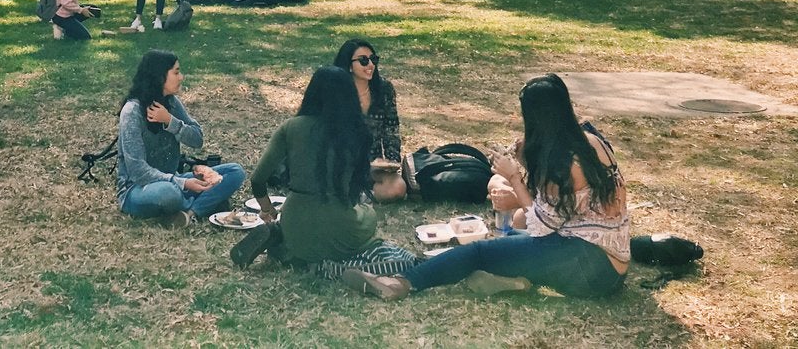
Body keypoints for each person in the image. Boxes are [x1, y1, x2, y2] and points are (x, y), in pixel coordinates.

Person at [341, 73, 630, 301]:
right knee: (508, 240)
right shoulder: (591, 140)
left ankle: (401, 284)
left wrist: (515, 177)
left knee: (481, 251)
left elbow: (542, 227)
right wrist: (527, 162)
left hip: (590, 270)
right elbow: (568, 207)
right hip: (610, 265)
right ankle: (513, 282)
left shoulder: (565, 164)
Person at [232, 66, 417, 278]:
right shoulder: (357, 131)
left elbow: (257, 180)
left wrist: (267, 211)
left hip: (295, 220)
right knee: (368, 214)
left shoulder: (291, 127)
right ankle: (327, 263)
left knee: (301, 231)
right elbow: (356, 188)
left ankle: (282, 240)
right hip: (341, 223)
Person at [116, 50, 245, 224]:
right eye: (176, 72)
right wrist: (183, 184)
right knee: (169, 193)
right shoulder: (132, 112)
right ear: (159, 76)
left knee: (235, 172)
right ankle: (210, 202)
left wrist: (170, 121)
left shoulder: (171, 103)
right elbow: (138, 171)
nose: (181, 77)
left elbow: (197, 139)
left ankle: (189, 214)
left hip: (173, 179)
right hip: (138, 190)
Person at [334, 39, 405, 201]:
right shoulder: (336, 89)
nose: (370, 65)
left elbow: (391, 130)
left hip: (372, 164)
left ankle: (357, 196)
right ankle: (358, 195)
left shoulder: (384, 89)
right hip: (339, 161)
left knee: (398, 188)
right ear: (349, 65)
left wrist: (391, 162)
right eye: (363, 61)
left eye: (374, 59)